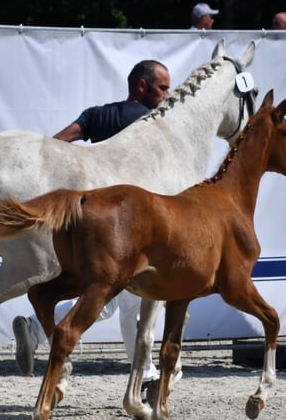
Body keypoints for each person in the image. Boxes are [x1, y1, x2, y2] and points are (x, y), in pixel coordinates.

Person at [12, 59, 173, 396]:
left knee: (120, 303)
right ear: (142, 87)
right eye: (162, 88)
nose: (167, 95)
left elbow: (57, 144)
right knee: (120, 301)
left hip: (87, 223)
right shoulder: (152, 124)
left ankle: (144, 375)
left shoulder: (98, 115)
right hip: (128, 229)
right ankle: (38, 332)